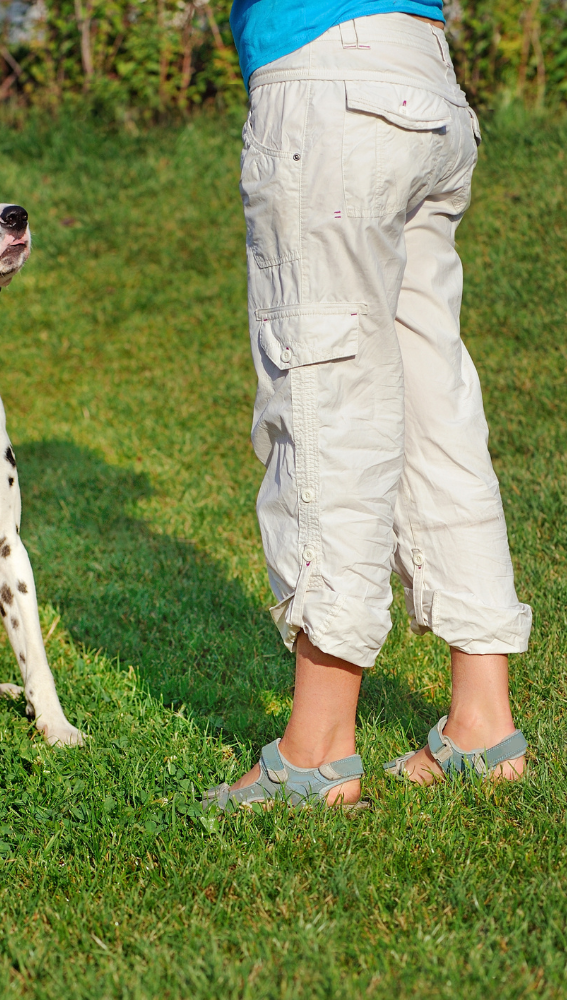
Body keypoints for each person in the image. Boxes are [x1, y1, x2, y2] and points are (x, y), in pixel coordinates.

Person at [205, 2, 532, 808]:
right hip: (423, 71)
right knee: (434, 405)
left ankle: (315, 750)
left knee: (324, 401)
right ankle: (482, 723)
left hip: (326, 76)